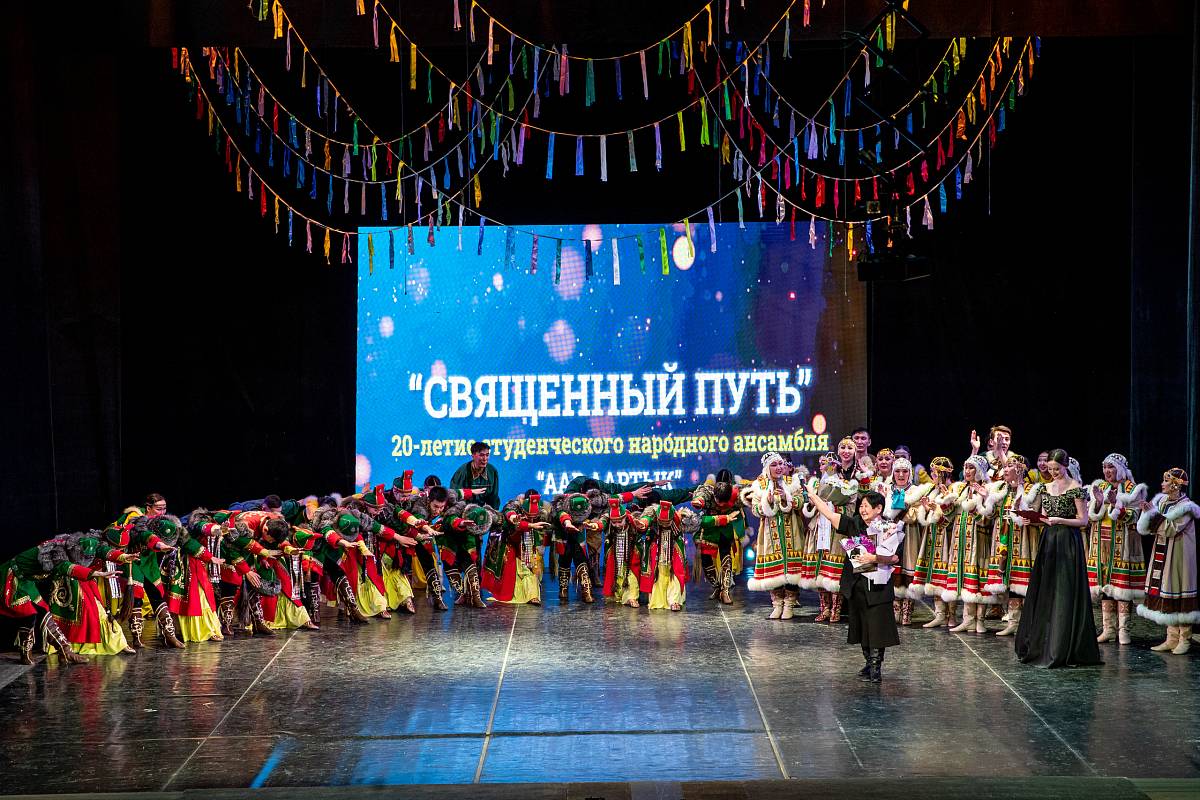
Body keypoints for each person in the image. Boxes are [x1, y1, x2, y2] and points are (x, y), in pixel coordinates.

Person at [1013, 449, 1102, 668]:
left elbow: (1083, 521)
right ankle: (1045, 642)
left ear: (1065, 466)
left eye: (1057, 469)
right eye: (1051, 469)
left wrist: (1060, 520)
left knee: (1065, 590)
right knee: (1048, 589)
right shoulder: (1045, 488)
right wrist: (1031, 519)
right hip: (1049, 541)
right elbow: (1044, 517)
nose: (1053, 473)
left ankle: (1064, 645)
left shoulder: (1075, 489)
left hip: (1068, 541)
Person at [805, 487, 903, 683]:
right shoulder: (854, 524)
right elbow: (830, 515)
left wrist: (874, 558)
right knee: (861, 626)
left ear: (878, 509)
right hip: (856, 584)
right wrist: (813, 496)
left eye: (867, 506)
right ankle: (868, 662)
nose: (863, 509)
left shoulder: (889, 528)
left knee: (877, 627)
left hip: (878, 586)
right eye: (861, 506)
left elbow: (895, 558)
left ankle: (876, 668)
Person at [1136, 468, 1199, 655]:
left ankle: (1185, 638)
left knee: (1180, 589)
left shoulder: (1186, 507)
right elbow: (1150, 528)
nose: (1162, 484)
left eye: (1166, 481)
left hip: (1179, 554)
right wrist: (1147, 514)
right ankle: (1171, 637)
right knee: (1167, 589)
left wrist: (1152, 514)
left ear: (1175, 485)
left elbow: (1171, 529)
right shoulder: (1162, 501)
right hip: (1163, 552)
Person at [1086, 454, 1147, 645]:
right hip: (1101, 544)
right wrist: (1098, 502)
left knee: (1122, 588)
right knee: (1105, 585)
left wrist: (1115, 504)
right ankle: (1108, 629)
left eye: (1110, 467)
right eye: (1104, 467)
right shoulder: (1100, 487)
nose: (1107, 471)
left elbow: (1135, 517)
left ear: (1120, 469)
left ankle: (1124, 631)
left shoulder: (1133, 490)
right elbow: (1091, 516)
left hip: (1124, 544)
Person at [743, 451, 805, 619]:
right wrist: (767, 501)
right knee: (774, 571)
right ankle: (777, 604)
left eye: (781, 464)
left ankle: (789, 604)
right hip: (769, 533)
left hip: (792, 530)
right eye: (774, 465)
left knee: (792, 570)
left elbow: (801, 501)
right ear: (767, 468)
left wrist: (787, 497)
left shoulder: (792, 482)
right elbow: (755, 510)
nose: (779, 467)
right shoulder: (760, 485)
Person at [881, 457, 934, 626]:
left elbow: (914, 516)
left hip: (910, 535)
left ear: (910, 473)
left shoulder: (916, 491)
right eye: (897, 471)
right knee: (892, 571)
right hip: (890, 536)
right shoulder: (887, 489)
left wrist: (898, 512)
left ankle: (907, 610)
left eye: (905, 471)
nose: (901, 474)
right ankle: (895, 608)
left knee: (908, 571)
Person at [449, 441, 500, 509]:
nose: (485, 459)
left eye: (487, 455)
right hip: (464, 510)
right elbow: (454, 495)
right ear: (473, 456)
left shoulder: (492, 471)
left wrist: (492, 512)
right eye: (481, 455)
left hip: (484, 511)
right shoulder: (462, 472)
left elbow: (494, 498)